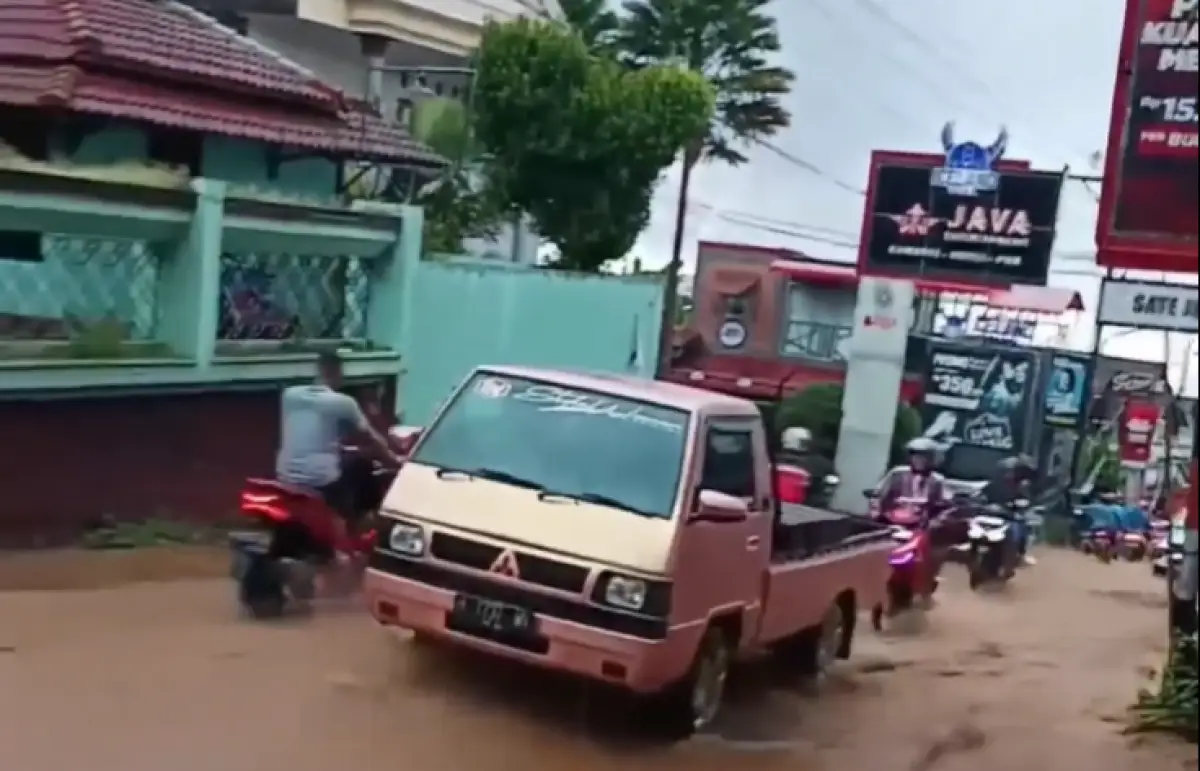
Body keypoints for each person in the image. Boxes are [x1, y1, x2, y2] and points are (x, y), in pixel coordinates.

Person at [276, 352, 402, 557]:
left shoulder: (289, 395)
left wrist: (339, 449)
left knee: (348, 463)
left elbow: (314, 433)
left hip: (285, 476)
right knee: (362, 467)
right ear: (336, 372)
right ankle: (348, 538)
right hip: (320, 479)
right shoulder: (342, 402)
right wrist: (395, 460)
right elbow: (372, 438)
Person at [982, 454, 1038, 566]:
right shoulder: (1007, 474)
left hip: (1005, 507)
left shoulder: (1021, 482)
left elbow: (1024, 499)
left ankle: (1019, 553)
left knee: (1026, 525)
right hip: (996, 507)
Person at [877, 437, 947, 515]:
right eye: (915, 456)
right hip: (893, 516)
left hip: (923, 521)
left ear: (933, 458)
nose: (918, 460)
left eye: (924, 457)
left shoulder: (937, 479)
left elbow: (944, 500)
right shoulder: (897, 473)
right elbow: (879, 493)